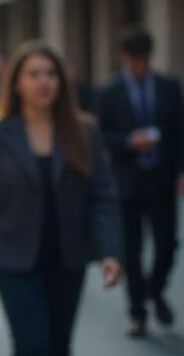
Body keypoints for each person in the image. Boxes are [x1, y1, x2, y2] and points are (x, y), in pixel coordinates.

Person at [0, 41, 122, 356]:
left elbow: (102, 194)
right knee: (32, 345)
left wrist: (110, 251)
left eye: (51, 74)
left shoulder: (84, 130)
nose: (44, 82)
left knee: (60, 345)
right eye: (34, 74)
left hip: (68, 256)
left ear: (62, 81)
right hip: (13, 257)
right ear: (17, 83)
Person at [97, 28, 183, 337]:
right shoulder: (110, 92)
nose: (139, 65)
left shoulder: (169, 87)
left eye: (143, 59)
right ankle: (137, 311)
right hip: (127, 181)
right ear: (123, 57)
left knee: (167, 245)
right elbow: (102, 137)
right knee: (131, 250)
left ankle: (155, 288)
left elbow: (178, 132)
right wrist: (129, 142)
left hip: (161, 179)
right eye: (134, 59)